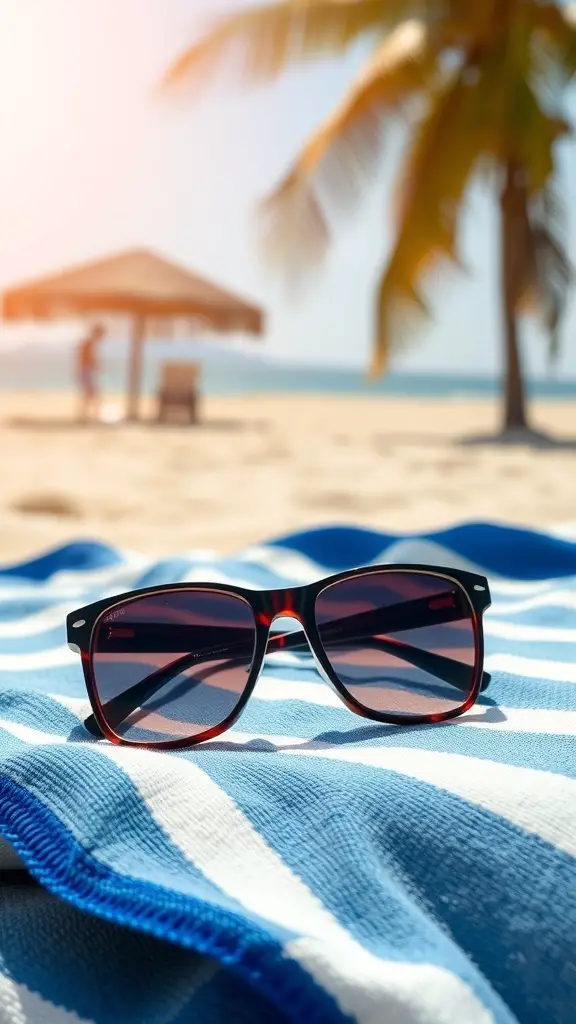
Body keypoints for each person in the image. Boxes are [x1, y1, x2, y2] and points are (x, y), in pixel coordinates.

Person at [76, 322, 105, 422]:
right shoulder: (88, 344)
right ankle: (88, 415)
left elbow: (84, 359)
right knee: (91, 394)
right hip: (86, 372)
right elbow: (87, 360)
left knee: (90, 394)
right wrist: (96, 366)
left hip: (85, 371)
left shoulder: (88, 343)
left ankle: (86, 415)